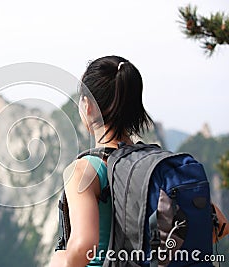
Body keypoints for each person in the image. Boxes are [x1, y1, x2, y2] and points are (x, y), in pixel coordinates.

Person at [50, 55, 153, 267]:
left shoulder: (84, 170)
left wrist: (60, 260)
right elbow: (220, 225)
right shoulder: (154, 165)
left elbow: (84, 247)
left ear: (87, 105)